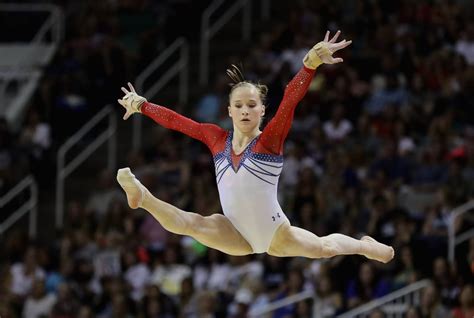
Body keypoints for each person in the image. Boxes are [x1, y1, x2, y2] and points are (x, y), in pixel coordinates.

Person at [117, 31, 394, 263]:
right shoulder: (216, 138)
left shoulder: (269, 141)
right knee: (192, 225)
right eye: (238, 106)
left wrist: (309, 65)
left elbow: (289, 100)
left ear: (262, 110)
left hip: (275, 233)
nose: (245, 111)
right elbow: (178, 122)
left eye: (252, 105)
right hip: (234, 232)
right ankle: (143, 197)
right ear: (229, 111)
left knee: (324, 249)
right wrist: (142, 105)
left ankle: (363, 245)